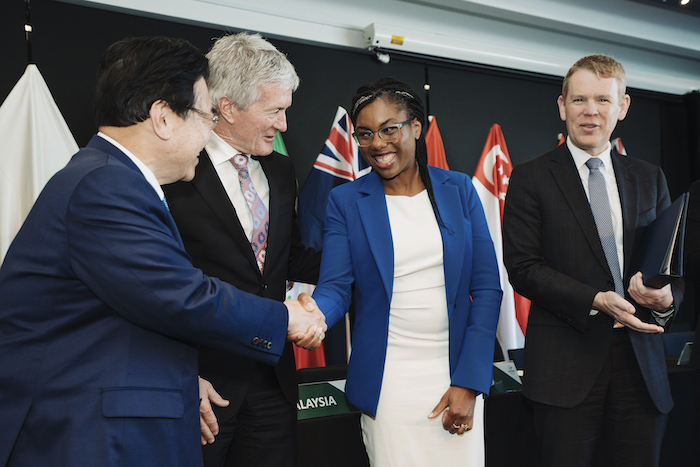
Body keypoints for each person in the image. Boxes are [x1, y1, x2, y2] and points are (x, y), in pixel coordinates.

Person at [0, 36, 325, 467]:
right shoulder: (106, 186)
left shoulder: (112, 178)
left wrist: (180, 377)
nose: (210, 130)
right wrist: (287, 317)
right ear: (164, 118)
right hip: (85, 433)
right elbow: (181, 296)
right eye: (207, 115)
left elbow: (128, 308)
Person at [311, 77, 502, 466]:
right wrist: (312, 315)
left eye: (388, 129)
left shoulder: (460, 189)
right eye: (364, 134)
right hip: (388, 383)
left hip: (455, 373)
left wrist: (469, 381)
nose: (376, 144)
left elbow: (486, 289)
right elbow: (335, 287)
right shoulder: (345, 201)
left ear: (416, 127)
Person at [503, 54, 682, 467]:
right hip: (564, 370)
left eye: (603, 99)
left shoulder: (649, 176)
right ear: (562, 105)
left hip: (642, 369)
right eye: (579, 99)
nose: (590, 111)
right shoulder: (530, 177)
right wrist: (597, 298)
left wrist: (667, 299)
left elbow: (670, 266)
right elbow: (524, 267)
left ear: (622, 107)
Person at [163, 32, 322, 467]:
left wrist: (359, 263)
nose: (285, 125)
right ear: (228, 107)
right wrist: (181, 375)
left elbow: (278, 260)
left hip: (273, 380)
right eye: (275, 111)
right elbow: (154, 284)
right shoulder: (173, 169)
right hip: (202, 387)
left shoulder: (281, 168)